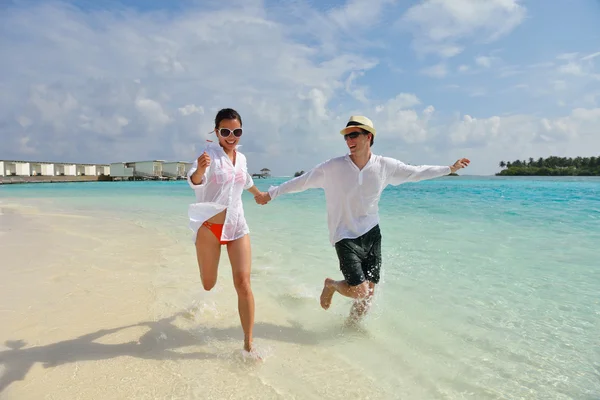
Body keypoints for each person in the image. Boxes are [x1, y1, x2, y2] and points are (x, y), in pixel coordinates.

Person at [255, 115, 470, 322]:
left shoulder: (385, 166)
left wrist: (449, 169)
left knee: (368, 296)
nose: (349, 141)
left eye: (354, 135)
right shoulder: (333, 167)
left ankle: (351, 330)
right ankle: (331, 285)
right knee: (360, 291)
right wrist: (271, 193)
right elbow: (301, 182)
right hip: (344, 235)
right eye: (346, 137)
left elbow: (416, 172)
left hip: (371, 233)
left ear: (369, 137)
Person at [187, 108, 265, 353]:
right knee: (208, 284)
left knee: (243, 283)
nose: (231, 136)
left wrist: (259, 195)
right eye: (226, 131)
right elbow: (195, 179)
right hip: (210, 228)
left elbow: (246, 179)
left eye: (237, 131)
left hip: (237, 226)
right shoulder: (207, 155)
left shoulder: (241, 158)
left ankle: (248, 344)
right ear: (217, 132)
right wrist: (200, 169)